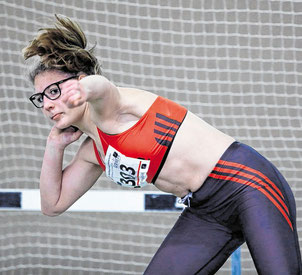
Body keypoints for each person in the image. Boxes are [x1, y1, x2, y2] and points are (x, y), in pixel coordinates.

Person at [23, 15, 301, 275]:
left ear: (79, 81)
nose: (47, 104)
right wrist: (54, 145)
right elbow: (52, 204)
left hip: (247, 185)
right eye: (41, 98)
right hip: (206, 212)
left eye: (55, 91)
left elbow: (103, 87)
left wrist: (85, 89)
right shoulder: (92, 151)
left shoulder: (108, 107)